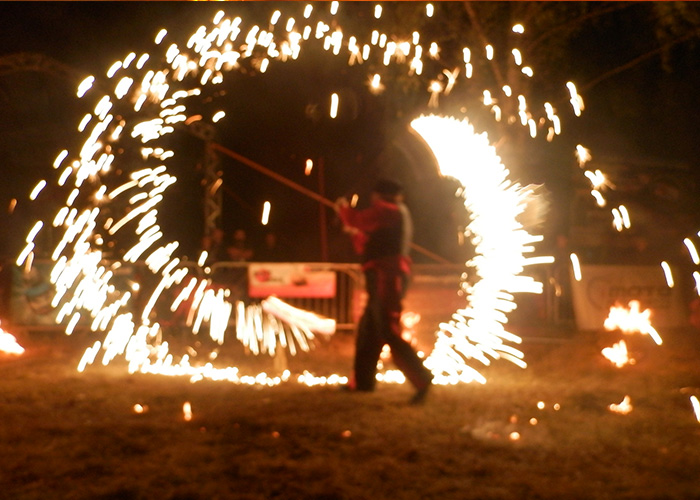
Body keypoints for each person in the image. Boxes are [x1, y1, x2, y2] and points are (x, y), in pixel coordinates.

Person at [335, 179, 433, 404]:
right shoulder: (390, 213)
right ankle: (361, 383)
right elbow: (365, 242)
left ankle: (422, 380)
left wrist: (342, 208)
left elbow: (357, 219)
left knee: (387, 329)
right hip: (380, 275)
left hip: (387, 276)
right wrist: (353, 232)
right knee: (368, 331)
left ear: (380, 196)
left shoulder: (388, 210)